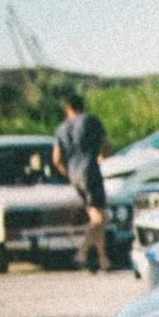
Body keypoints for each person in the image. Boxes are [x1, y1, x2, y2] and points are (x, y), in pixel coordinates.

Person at [53, 92, 111, 272]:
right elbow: (106, 145)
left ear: (67, 108)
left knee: (96, 216)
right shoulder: (91, 120)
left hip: (74, 174)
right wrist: (102, 157)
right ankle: (82, 250)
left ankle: (103, 259)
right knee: (101, 217)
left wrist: (68, 173)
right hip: (90, 170)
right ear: (82, 105)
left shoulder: (61, 128)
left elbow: (56, 159)